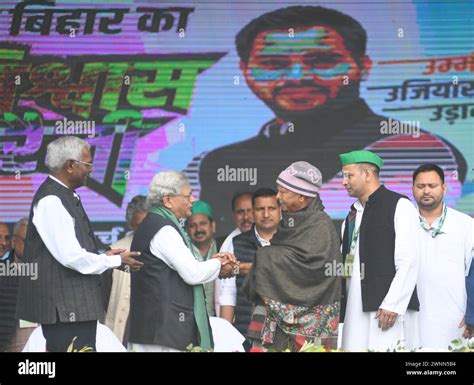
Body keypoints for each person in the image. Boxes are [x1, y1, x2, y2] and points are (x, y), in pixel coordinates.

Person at [193, 5, 466, 234]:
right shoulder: (222, 161)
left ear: (363, 66)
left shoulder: (414, 146)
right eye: (274, 64)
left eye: (322, 60)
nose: (297, 76)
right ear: (245, 71)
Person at [15, 136, 143, 352]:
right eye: (88, 163)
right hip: (64, 311)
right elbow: (70, 257)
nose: (91, 169)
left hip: (74, 309)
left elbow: (71, 251)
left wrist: (106, 254)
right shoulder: (51, 200)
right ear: (71, 165)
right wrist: (113, 260)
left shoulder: (63, 195)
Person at [128, 171, 238, 352]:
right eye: (187, 195)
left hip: (155, 330)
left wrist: (213, 263)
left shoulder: (154, 223)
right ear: (168, 200)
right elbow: (193, 274)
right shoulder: (164, 230)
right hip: (164, 333)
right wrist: (220, 264)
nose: (193, 200)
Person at [244, 162, 341, 351]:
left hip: (312, 320)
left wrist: (265, 258)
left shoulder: (321, 225)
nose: (278, 197)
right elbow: (285, 259)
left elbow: (312, 268)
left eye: (283, 192)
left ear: (302, 196)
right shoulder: (290, 222)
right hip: (274, 318)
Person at [339, 150, 420, 351]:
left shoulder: (399, 205)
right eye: (343, 176)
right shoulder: (351, 215)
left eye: (349, 175)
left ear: (367, 174)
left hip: (386, 309)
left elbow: (409, 260)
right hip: (354, 308)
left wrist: (393, 304)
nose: (344, 182)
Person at [412, 163, 474, 349]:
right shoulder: (402, 223)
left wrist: (471, 313)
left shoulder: (465, 224)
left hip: (455, 318)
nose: (426, 191)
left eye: (432, 186)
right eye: (420, 186)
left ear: (444, 188)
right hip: (412, 317)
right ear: (413, 189)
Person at [224, 188, 280, 349]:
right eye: (260, 209)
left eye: (272, 208)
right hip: (245, 328)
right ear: (253, 212)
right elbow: (228, 292)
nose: (266, 214)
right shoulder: (237, 243)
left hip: (285, 328)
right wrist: (226, 332)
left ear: (280, 210)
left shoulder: (291, 242)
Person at [105, 195, 148, 344]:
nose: (146, 230)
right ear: (131, 225)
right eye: (140, 225)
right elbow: (104, 298)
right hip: (124, 328)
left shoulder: (167, 248)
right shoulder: (115, 251)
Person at [215, 192, 254, 318]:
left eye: (250, 211)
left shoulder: (276, 238)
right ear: (233, 215)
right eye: (240, 212)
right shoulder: (229, 244)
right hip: (240, 319)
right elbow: (227, 292)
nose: (246, 217)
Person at [186, 200, 219, 316]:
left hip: (220, 323)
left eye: (203, 223)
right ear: (186, 229)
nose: (198, 229)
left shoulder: (224, 249)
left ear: (212, 226)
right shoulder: (182, 253)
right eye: (192, 225)